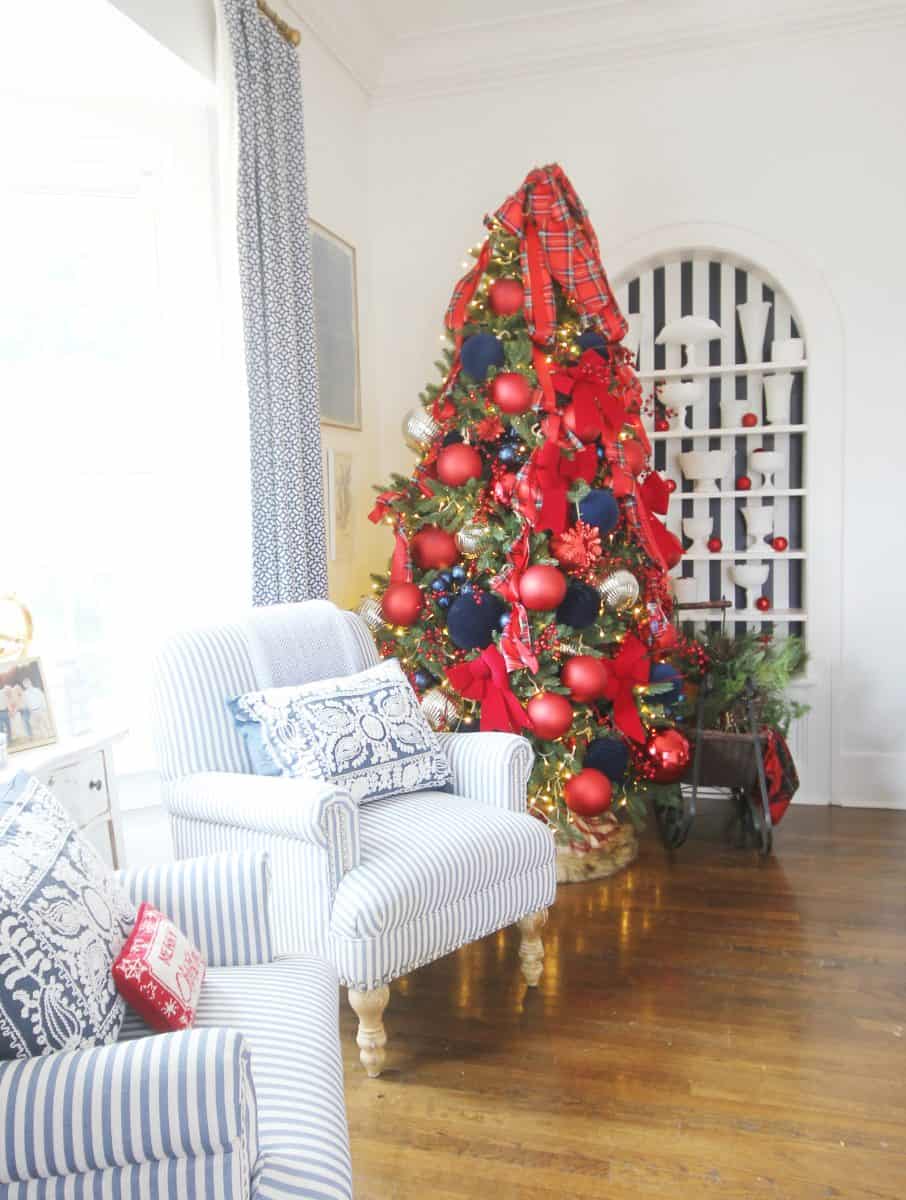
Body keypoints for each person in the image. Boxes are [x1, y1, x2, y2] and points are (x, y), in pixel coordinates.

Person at [22, 676, 50, 741]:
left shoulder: (36, 690)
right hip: (33, 711)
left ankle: (49, 734)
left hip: (40, 709)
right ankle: (45, 736)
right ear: (24, 685)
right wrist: (30, 709)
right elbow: (26, 703)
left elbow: (42, 699)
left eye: (27, 683)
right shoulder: (25, 693)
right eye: (25, 684)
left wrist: (44, 708)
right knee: (39, 724)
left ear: (30, 682)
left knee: (45, 722)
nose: (26, 685)